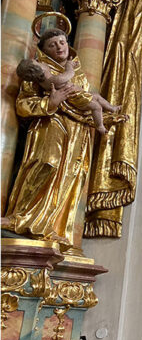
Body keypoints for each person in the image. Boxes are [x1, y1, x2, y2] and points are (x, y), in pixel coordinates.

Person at [2, 29, 103, 248]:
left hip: (77, 133)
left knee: (68, 176)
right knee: (47, 164)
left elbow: (86, 99)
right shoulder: (39, 70)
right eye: (52, 45)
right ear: (44, 50)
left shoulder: (77, 71)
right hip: (51, 125)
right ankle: (20, 217)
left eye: (61, 42)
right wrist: (51, 103)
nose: (59, 47)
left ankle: (49, 226)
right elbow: (23, 104)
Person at [16, 58, 122, 135]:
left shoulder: (44, 82)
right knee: (96, 106)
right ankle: (99, 126)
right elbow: (69, 74)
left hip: (78, 94)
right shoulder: (53, 80)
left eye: (62, 42)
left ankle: (111, 108)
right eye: (38, 62)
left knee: (96, 96)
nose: (42, 61)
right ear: (40, 70)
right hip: (75, 98)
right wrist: (69, 65)